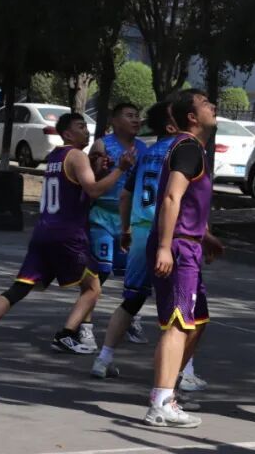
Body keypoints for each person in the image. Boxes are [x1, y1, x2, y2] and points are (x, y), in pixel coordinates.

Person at [0, 112, 130, 354]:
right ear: (68, 134)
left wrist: (97, 170)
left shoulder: (55, 156)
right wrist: (120, 169)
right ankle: (66, 335)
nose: (86, 131)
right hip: (68, 236)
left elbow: (76, 188)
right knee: (93, 287)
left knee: (20, 287)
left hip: (43, 233)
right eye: (80, 127)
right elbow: (94, 191)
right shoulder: (76, 156)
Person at [91, 100, 211, 391]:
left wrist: (126, 229)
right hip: (170, 234)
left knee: (132, 299)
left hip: (142, 231)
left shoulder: (145, 154)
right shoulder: (183, 150)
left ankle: (103, 358)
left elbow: (125, 196)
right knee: (182, 316)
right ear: (173, 125)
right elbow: (179, 199)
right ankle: (182, 374)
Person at [142, 90, 224, 428]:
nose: (213, 107)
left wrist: (204, 235)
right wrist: (165, 246)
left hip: (187, 243)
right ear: (191, 117)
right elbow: (172, 197)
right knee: (177, 323)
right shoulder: (188, 147)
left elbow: (186, 202)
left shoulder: (192, 149)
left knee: (197, 321)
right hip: (177, 247)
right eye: (205, 104)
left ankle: (166, 388)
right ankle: (161, 402)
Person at [88, 103, 147, 344]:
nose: (135, 120)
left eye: (137, 116)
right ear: (114, 120)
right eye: (129, 116)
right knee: (100, 272)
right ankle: (84, 323)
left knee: (133, 275)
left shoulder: (144, 149)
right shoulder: (102, 145)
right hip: (102, 216)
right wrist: (102, 168)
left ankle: (131, 318)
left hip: (130, 220)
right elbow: (91, 180)